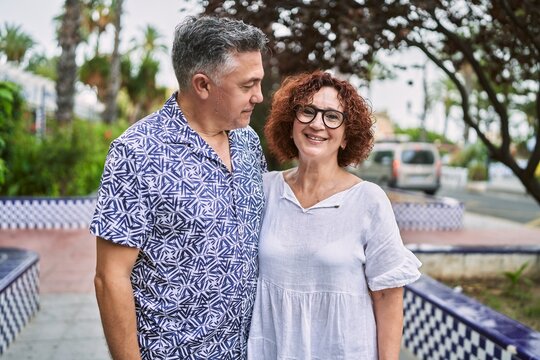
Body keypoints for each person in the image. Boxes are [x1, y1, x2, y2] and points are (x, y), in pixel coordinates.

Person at [90, 16, 268, 359]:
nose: (259, 96)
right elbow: (110, 278)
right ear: (202, 85)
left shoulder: (248, 142)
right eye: (248, 85)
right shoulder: (138, 152)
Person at [247, 71, 422, 360]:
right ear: (291, 123)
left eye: (332, 116)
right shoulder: (266, 189)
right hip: (274, 349)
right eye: (307, 111)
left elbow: (388, 296)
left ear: (345, 136)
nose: (317, 123)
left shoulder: (368, 200)